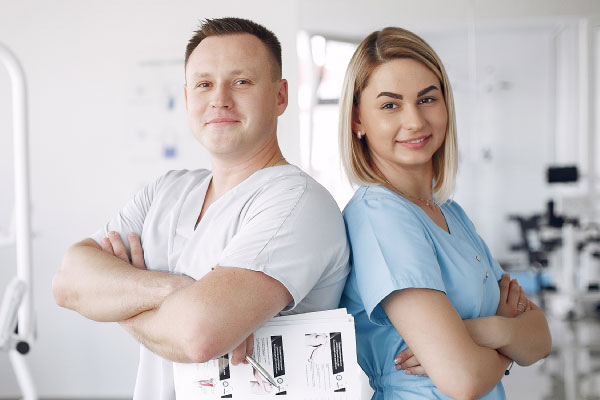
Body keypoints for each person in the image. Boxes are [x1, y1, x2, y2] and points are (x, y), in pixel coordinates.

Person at [52, 17, 349, 400]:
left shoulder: (297, 202)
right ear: (188, 96)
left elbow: (198, 335)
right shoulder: (165, 190)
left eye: (241, 81)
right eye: (204, 84)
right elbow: (67, 282)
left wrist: (117, 298)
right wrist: (179, 290)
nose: (219, 98)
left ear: (280, 96)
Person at [337, 27, 551, 399]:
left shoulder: (450, 213)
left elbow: (541, 339)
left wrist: (486, 334)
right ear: (357, 120)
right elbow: (464, 379)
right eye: (390, 105)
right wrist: (505, 339)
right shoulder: (379, 216)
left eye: (427, 99)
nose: (415, 121)